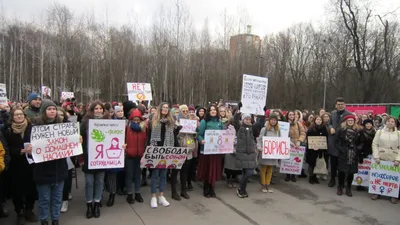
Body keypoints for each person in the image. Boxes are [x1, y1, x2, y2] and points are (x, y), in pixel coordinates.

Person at [29, 100, 70, 225]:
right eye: (49, 109)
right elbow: (28, 149)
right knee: (44, 199)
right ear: (43, 111)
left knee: (57, 199)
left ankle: (55, 219)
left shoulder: (64, 126)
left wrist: (77, 140)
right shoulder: (34, 127)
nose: (52, 111)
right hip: (43, 170)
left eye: (53, 109)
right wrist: (29, 149)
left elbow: (71, 145)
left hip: (59, 169)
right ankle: (44, 220)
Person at [81, 101, 110, 219]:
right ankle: (89, 205)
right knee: (89, 183)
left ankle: (97, 204)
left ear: (103, 110)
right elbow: (80, 140)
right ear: (92, 110)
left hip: (102, 158)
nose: (98, 111)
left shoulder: (109, 123)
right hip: (89, 157)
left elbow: (114, 137)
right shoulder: (85, 123)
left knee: (99, 181)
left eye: (100, 108)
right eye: (96, 108)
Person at [147, 102, 178, 208]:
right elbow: (149, 137)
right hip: (156, 150)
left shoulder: (171, 122)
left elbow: (175, 137)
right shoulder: (153, 121)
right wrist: (148, 150)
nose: (165, 109)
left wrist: (178, 149)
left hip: (167, 150)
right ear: (160, 109)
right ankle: (153, 197)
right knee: (155, 174)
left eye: (167, 108)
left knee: (164, 174)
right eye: (163, 107)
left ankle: (161, 196)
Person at [371, 116, 400, 204]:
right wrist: (376, 156)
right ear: (385, 122)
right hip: (381, 157)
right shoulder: (379, 132)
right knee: (379, 177)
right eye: (388, 121)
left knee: (392, 178)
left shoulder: (398, 133)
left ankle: (393, 195)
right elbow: (375, 144)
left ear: (395, 123)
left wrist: (398, 159)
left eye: (392, 121)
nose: (390, 123)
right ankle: (377, 193)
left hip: (393, 158)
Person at [197, 105, 223, 198]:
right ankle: (206, 188)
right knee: (207, 169)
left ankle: (212, 188)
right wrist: (201, 140)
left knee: (214, 169)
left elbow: (222, 136)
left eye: (214, 110)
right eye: (211, 110)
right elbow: (199, 135)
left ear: (217, 111)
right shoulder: (204, 122)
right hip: (206, 150)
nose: (213, 111)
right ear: (208, 112)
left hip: (216, 150)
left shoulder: (220, 123)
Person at [173, 105, 196, 200]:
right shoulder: (175, 121)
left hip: (189, 149)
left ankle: (183, 190)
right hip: (179, 149)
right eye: (183, 110)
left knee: (185, 171)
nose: (186, 112)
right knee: (175, 171)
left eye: (187, 111)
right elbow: (174, 134)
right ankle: (174, 191)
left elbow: (194, 134)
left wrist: (194, 132)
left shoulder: (191, 122)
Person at [328, 97, 352, 188]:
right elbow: (329, 123)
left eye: (342, 104)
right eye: (338, 104)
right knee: (333, 163)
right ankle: (332, 179)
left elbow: (352, 125)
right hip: (333, 141)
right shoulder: (333, 113)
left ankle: (341, 182)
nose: (340, 106)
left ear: (344, 105)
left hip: (343, 142)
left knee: (342, 164)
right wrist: (330, 128)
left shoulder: (349, 114)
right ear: (336, 105)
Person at [125, 109, 146, 204]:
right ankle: (129, 194)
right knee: (129, 175)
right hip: (129, 155)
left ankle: (137, 193)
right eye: (134, 119)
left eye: (138, 119)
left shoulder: (144, 128)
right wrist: (125, 150)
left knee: (138, 175)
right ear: (131, 119)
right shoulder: (127, 127)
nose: (136, 121)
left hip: (140, 155)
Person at [336, 115, 360, 197]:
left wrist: (357, 149)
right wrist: (342, 149)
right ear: (346, 121)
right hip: (344, 153)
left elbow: (361, 142)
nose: (350, 121)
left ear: (354, 122)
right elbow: (336, 141)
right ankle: (340, 186)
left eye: (352, 120)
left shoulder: (358, 131)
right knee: (341, 171)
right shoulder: (341, 130)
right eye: (349, 120)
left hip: (353, 154)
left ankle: (348, 187)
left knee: (351, 172)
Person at [234, 113, 257, 198]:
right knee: (246, 173)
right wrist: (239, 111)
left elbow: (260, 123)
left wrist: (262, 112)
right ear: (243, 120)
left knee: (248, 173)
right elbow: (235, 120)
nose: (248, 120)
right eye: (246, 119)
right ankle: (242, 189)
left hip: (251, 154)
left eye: (249, 119)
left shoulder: (253, 128)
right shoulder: (240, 128)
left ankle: (241, 188)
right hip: (242, 154)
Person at [257, 114, 280, 193]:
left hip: (273, 153)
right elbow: (259, 139)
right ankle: (263, 184)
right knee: (263, 169)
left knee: (270, 169)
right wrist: (259, 147)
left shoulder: (277, 130)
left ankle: (268, 184)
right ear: (269, 120)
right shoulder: (264, 129)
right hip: (265, 152)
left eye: (275, 120)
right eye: (272, 120)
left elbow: (281, 141)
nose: (273, 121)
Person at [306, 116, 328, 184]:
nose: (319, 121)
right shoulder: (311, 128)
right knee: (311, 164)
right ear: (315, 120)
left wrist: (322, 146)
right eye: (317, 119)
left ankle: (315, 177)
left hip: (320, 150)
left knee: (317, 164)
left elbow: (325, 138)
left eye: (320, 120)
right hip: (312, 150)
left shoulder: (324, 128)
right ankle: (311, 177)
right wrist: (313, 147)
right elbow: (308, 139)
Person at [285, 111, 306, 182]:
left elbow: (303, 133)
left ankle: (293, 175)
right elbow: (283, 134)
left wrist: (299, 141)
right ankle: (287, 174)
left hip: (296, 145)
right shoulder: (285, 124)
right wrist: (289, 142)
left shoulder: (298, 124)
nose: (291, 116)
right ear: (287, 116)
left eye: (292, 115)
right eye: (290, 115)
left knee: (295, 160)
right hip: (288, 144)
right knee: (287, 160)